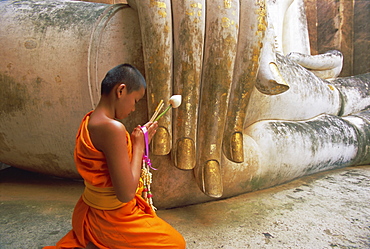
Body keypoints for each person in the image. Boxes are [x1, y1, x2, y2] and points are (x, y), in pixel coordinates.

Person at [44, 64, 186, 249]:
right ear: (121, 90)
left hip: (91, 209)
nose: (134, 108)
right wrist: (139, 147)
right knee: (176, 244)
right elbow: (126, 193)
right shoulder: (113, 128)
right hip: (110, 217)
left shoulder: (91, 119)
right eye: (135, 100)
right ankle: (103, 237)